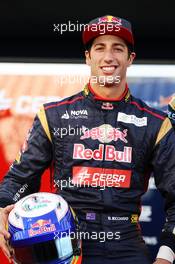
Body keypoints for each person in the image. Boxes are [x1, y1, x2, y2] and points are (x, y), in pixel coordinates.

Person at [0, 14, 175, 264]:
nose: (108, 57)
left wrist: (166, 257)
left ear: (130, 58)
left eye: (118, 48)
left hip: (126, 245)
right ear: (87, 57)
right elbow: (19, 179)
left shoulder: (156, 123)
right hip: (63, 243)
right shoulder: (54, 115)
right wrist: (2, 207)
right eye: (99, 47)